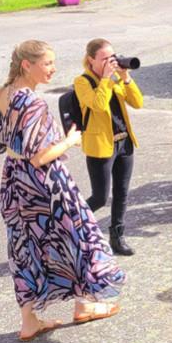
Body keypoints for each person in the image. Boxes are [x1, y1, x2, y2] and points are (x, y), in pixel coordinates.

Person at [0, 40, 124, 341]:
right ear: (26, 65)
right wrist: (69, 141)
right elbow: (40, 157)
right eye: (47, 63)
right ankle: (85, 304)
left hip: (14, 180)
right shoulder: (32, 102)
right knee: (79, 237)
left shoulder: (3, 94)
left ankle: (29, 321)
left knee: (24, 248)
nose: (53, 69)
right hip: (45, 184)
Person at [75, 38, 143, 256]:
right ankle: (70, 224)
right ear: (91, 60)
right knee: (100, 198)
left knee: (122, 193)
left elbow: (138, 103)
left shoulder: (114, 78)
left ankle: (117, 237)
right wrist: (106, 79)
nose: (110, 62)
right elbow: (98, 105)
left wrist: (125, 78)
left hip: (124, 142)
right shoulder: (82, 82)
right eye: (104, 58)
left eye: (112, 57)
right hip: (101, 147)